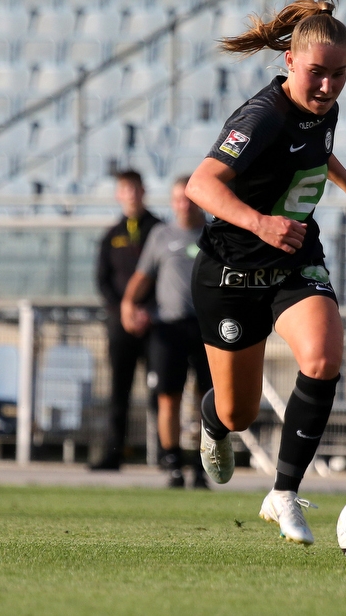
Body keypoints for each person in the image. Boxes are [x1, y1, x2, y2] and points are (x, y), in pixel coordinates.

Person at [185, 0, 346, 545]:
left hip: (294, 258)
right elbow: (200, 185)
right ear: (289, 65)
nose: (328, 87)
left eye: (340, 74)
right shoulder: (261, 116)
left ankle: (283, 494)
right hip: (230, 272)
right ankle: (212, 423)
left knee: (324, 357)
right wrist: (261, 224)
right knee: (237, 412)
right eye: (317, 74)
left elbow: (315, 149)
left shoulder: (321, 108)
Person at [120, 176, 213, 489]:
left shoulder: (214, 234)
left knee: (206, 399)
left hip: (206, 328)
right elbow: (143, 276)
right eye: (177, 199)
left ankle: (203, 465)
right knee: (168, 397)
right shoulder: (161, 235)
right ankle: (173, 462)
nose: (183, 204)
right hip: (169, 328)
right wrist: (128, 304)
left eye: (188, 198)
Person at [92, 170, 161, 471]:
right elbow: (102, 279)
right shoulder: (111, 235)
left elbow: (166, 276)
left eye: (135, 188)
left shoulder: (159, 229)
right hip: (120, 324)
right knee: (119, 389)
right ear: (119, 194)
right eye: (125, 189)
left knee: (162, 390)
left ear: (143, 191)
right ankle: (113, 453)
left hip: (156, 323)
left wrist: (148, 309)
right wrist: (123, 308)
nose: (131, 194)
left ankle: (165, 454)